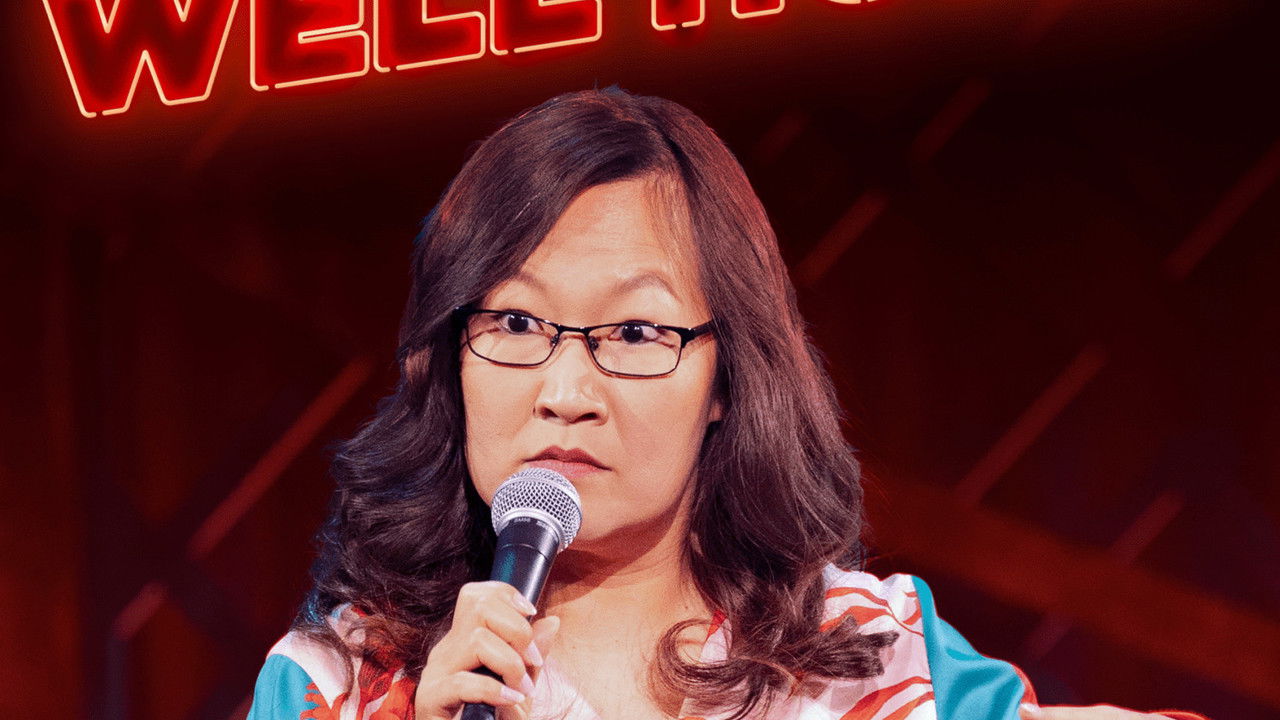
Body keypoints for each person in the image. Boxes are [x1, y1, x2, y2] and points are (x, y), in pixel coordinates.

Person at [246, 89, 1206, 720]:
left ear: (726, 381)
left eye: (634, 333)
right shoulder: (335, 682)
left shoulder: (869, 660)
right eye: (516, 323)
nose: (565, 394)